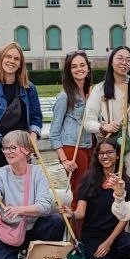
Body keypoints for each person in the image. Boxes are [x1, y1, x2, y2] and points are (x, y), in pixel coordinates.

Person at [0, 131, 66, 259]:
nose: (7, 152)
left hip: (31, 229)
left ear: (26, 150)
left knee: (56, 221)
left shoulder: (38, 173)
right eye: (5, 148)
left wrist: (20, 210)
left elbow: (45, 206)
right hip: (4, 232)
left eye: (12, 148)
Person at [82, 45, 130, 186]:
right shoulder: (100, 89)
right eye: (120, 58)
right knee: (117, 190)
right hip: (113, 147)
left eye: (128, 60)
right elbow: (88, 122)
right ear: (111, 62)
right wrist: (104, 126)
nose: (124, 62)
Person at [68, 138, 130, 259]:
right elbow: (80, 213)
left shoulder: (127, 183)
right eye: (101, 153)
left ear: (118, 155)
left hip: (114, 234)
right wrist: (70, 214)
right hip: (92, 235)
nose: (105, 156)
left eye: (110, 152)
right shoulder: (88, 180)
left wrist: (109, 242)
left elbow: (125, 218)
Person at [0, 43, 43, 180]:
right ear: (0, 59)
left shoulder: (29, 88)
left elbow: (36, 117)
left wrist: (33, 135)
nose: (12, 61)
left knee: (23, 197)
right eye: (8, 56)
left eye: (16, 58)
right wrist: (5, 142)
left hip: (22, 153)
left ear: (21, 63)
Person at [49, 51, 93, 188]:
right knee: (79, 190)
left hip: (90, 146)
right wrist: (64, 160)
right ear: (68, 71)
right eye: (74, 66)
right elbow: (54, 132)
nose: (79, 69)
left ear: (88, 68)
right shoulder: (65, 96)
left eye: (82, 65)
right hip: (72, 148)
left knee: (91, 189)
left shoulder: (91, 93)